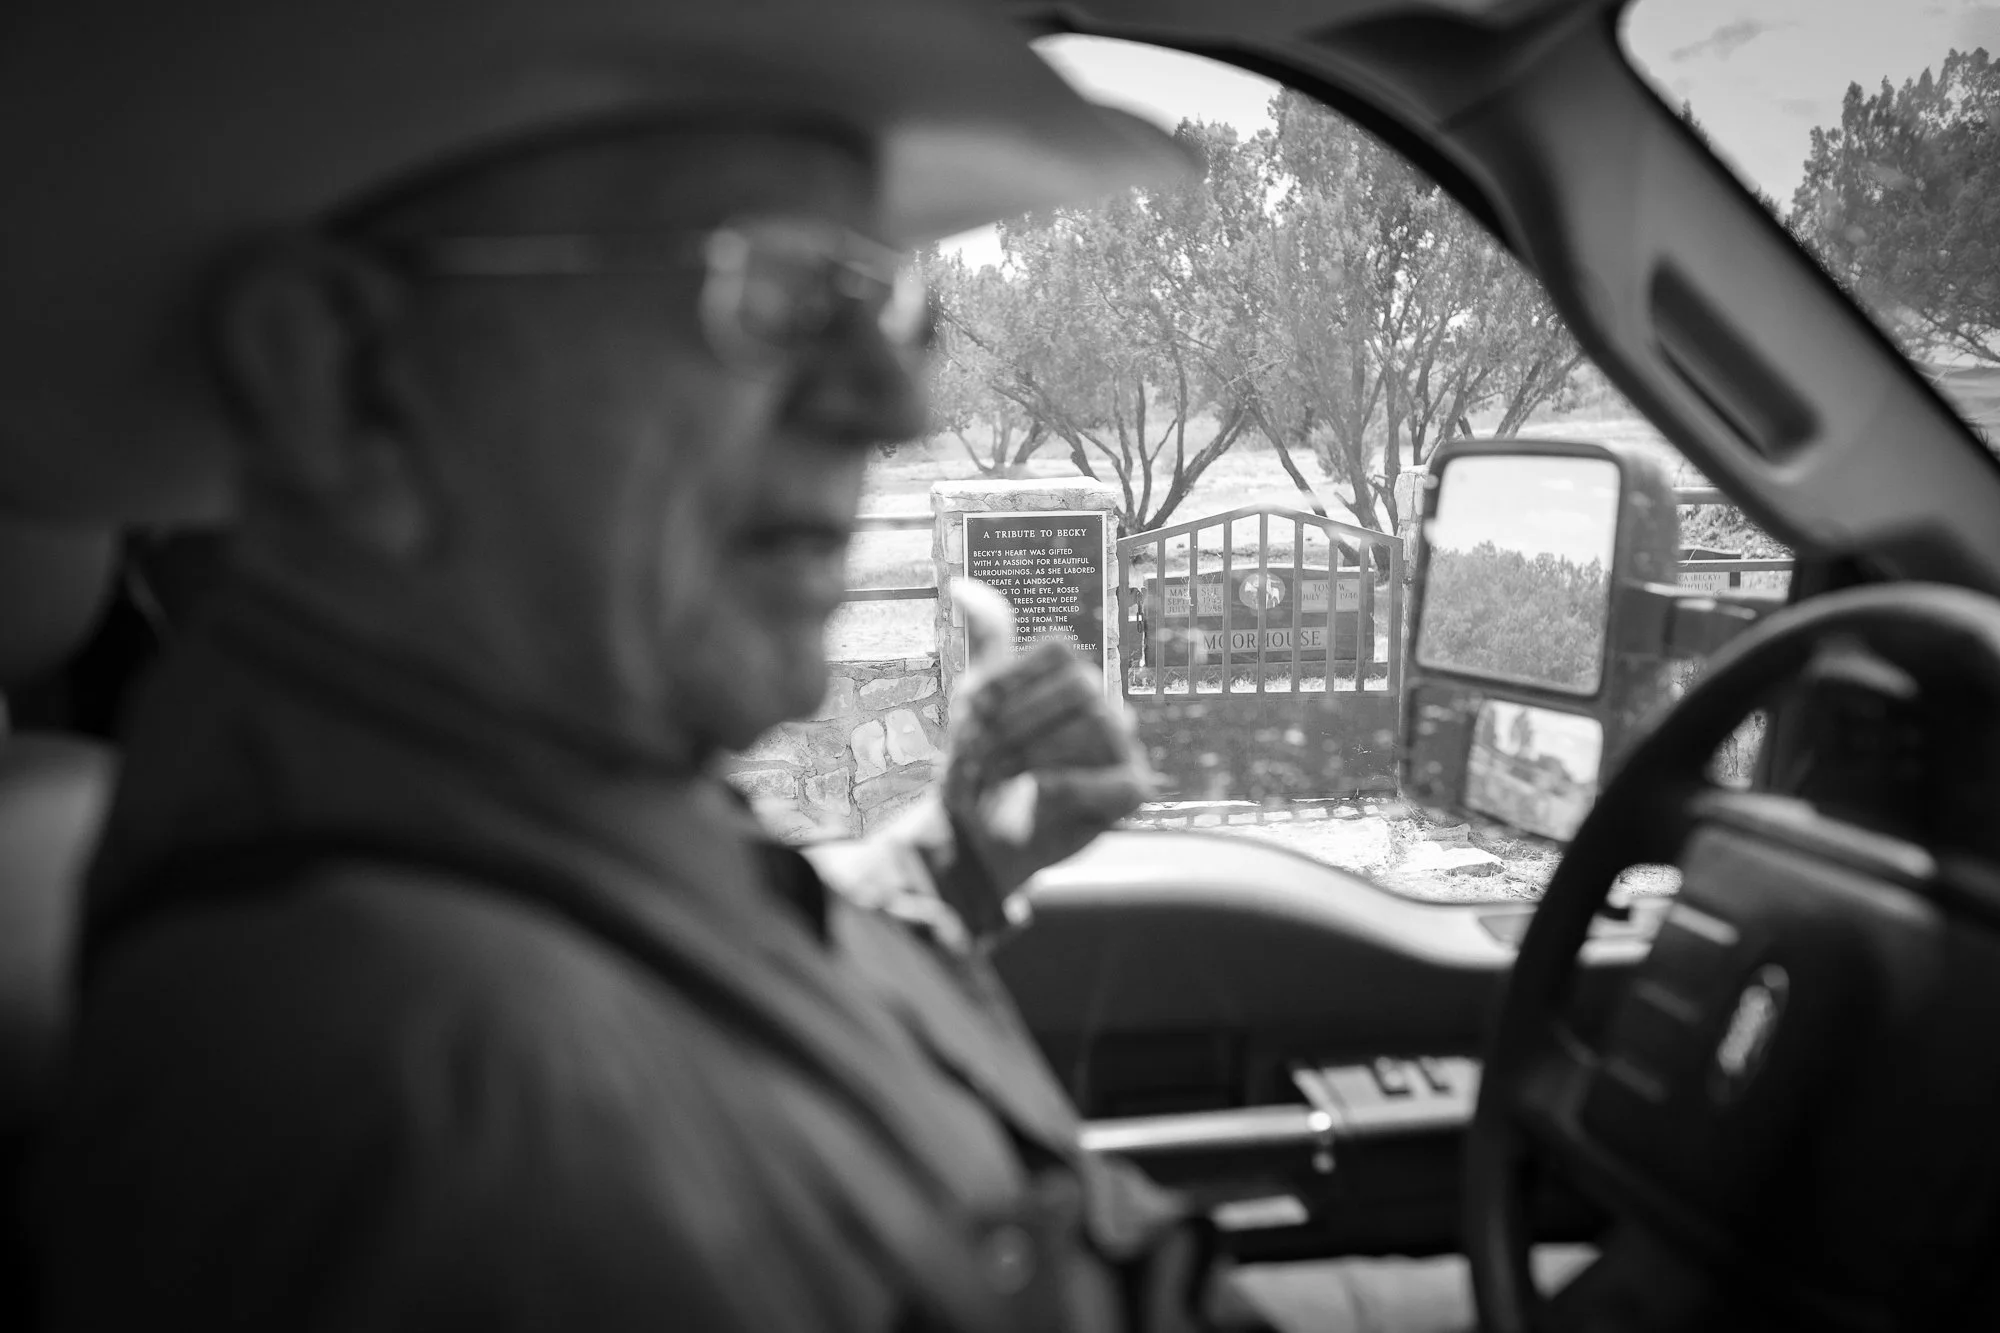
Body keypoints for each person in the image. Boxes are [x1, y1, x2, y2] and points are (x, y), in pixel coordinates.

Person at [8, 1, 1283, 1330]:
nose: (900, 406)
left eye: (882, 301)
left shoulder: (512, 776)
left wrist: (953, 860)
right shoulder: (469, 1121)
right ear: (339, 378)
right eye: (776, 286)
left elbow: (717, 1006)